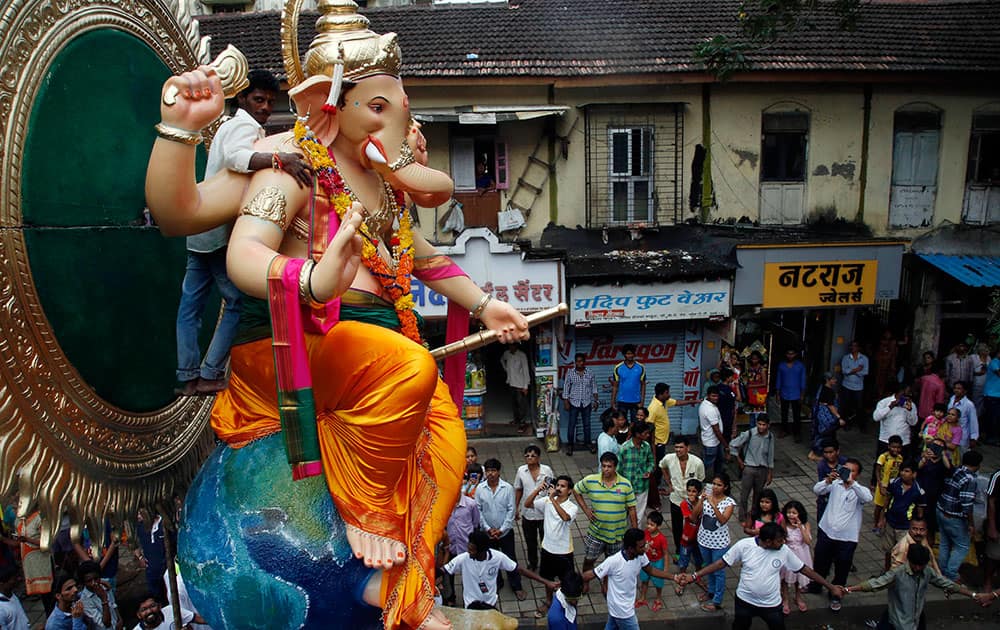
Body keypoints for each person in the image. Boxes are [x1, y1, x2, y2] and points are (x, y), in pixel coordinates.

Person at [148, 13, 532, 625]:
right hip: (291, 347)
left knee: (449, 432)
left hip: (365, 352)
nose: (392, 123)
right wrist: (178, 131)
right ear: (329, 103)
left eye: (398, 107)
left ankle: (404, 584)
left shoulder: (382, 178)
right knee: (410, 370)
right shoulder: (289, 163)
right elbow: (206, 229)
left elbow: (419, 256)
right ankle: (369, 520)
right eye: (376, 107)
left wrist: (484, 303)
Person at [173, 70, 306, 397]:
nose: (264, 107)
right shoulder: (243, 126)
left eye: (269, 102)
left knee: (190, 305)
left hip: (201, 235)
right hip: (219, 235)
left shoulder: (230, 127)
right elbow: (237, 159)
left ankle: (189, 374)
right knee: (235, 303)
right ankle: (210, 372)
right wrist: (280, 159)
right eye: (258, 100)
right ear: (242, 99)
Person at [681, 523, 844, 630]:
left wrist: (830, 587)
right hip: (744, 601)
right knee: (740, 627)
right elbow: (720, 563)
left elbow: (804, 570)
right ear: (766, 541)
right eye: (779, 541)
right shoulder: (744, 545)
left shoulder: (784, 551)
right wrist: (694, 576)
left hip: (771, 605)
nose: (783, 543)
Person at [844, 544, 992, 629]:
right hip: (898, 622)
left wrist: (972, 595)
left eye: (921, 565)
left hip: (916, 618)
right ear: (910, 562)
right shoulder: (898, 574)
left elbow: (946, 584)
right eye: (916, 565)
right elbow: (874, 584)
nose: (919, 569)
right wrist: (848, 589)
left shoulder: (927, 572)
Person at [581, 528, 677, 630]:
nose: (645, 548)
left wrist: (674, 577)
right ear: (631, 548)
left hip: (621, 608)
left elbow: (651, 570)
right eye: (642, 546)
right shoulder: (613, 561)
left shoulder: (641, 556)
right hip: (623, 611)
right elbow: (589, 575)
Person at [812, 458, 872, 611]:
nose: (847, 472)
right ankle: (816, 585)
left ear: (857, 475)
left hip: (847, 538)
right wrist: (827, 480)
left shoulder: (859, 490)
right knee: (820, 561)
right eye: (845, 469)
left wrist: (852, 483)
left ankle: (836, 594)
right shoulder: (835, 484)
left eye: (852, 471)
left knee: (842, 566)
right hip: (827, 532)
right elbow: (817, 490)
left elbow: (868, 498)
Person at [573, 453, 637, 593]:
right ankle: (585, 582)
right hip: (596, 533)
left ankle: (606, 584)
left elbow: (632, 508)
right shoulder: (591, 481)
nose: (606, 469)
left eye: (609, 466)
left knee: (612, 563)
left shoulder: (625, 484)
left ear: (615, 467)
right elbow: (576, 490)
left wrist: (635, 530)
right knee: (589, 560)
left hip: (617, 534)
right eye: (603, 466)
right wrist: (586, 510)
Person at [441, 530, 553, 610]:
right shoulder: (463, 558)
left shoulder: (498, 557)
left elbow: (520, 569)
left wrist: (546, 582)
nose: (468, 551)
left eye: (472, 550)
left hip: (491, 604)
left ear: (482, 550)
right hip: (471, 606)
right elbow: (443, 570)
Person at [525, 475, 578, 617]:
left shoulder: (572, 507)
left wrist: (552, 500)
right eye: (558, 485)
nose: (559, 488)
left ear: (570, 491)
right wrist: (538, 489)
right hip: (547, 548)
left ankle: (566, 603)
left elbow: (565, 517)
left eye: (563, 486)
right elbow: (527, 504)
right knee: (547, 579)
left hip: (564, 551)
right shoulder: (547, 501)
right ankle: (548, 602)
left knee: (566, 580)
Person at [475, 458, 524, 600]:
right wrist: (488, 529)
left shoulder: (507, 488)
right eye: (488, 471)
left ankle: (517, 586)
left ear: (499, 472)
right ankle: (497, 583)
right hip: (488, 534)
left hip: (505, 533)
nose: (490, 474)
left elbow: (511, 510)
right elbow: (478, 510)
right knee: (491, 560)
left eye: (493, 471)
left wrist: (502, 530)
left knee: (510, 559)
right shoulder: (480, 489)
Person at [646, 382, 698, 509]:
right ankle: (654, 489)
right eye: (667, 393)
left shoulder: (664, 402)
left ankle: (656, 487)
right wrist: (652, 445)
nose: (669, 395)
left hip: (663, 441)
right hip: (657, 442)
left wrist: (695, 401)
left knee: (660, 464)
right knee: (658, 465)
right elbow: (649, 427)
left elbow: (677, 403)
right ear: (661, 394)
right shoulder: (653, 408)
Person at [936, 449, 983, 581]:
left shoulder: (955, 470)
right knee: (962, 546)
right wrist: (971, 524)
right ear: (977, 465)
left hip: (941, 511)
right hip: (954, 517)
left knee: (945, 542)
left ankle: (941, 571)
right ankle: (951, 574)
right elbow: (967, 505)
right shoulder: (970, 479)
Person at [694, 472, 736, 612]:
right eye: (714, 484)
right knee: (708, 567)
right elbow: (694, 516)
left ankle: (717, 600)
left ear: (725, 487)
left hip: (719, 543)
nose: (716, 487)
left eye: (719, 485)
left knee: (718, 571)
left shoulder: (729, 503)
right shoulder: (705, 497)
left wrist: (713, 505)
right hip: (704, 539)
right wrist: (701, 500)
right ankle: (710, 591)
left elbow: (723, 520)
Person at [658, 436, 705, 552]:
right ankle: (679, 550)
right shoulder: (669, 459)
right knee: (677, 526)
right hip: (676, 498)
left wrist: (696, 498)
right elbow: (662, 466)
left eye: (681, 447)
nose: (678, 450)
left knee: (694, 525)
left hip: (693, 501)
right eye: (676, 447)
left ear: (688, 448)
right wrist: (669, 482)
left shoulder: (697, 462)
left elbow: (700, 480)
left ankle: (695, 549)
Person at [878, 462, 926, 571]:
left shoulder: (919, 491)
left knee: (902, 551)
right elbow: (887, 501)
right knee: (888, 549)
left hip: (905, 526)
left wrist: (917, 529)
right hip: (890, 522)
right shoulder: (894, 483)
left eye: (907, 471)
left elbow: (920, 512)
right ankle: (886, 571)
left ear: (914, 474)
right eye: (902, 471)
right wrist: (882, 518)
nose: (903, 473)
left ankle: (898, 572)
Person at [513, 445, 554, 573]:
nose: (530, 458)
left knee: (545, 541)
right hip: (528, 513)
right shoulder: (521, 471)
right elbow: (518, 489)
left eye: (533, 455)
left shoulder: (546, 470)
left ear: (538, 458)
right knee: (530, 542)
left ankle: (546, 564)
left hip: (544, 513)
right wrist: (516, 507)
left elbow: (552, 488)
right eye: (527, 456)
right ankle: (533, 563)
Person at [730, 416, 776, 523]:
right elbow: (733, 444)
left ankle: (754, 515)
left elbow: (770, 454)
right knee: (744, 495)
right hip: (749, 468)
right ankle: (742, 517)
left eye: (764, 425)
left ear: (768, 425)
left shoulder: (770, 436)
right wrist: (739, 460)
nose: (761, 427)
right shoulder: (749, 433)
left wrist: (770, 472)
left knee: (758, 495)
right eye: (759, 424)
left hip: (762, 469)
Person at [441, 482, 480, 607]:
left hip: (467, 548)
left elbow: (475, 523)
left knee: (470, 574)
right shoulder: (443, 505)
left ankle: (473, 598)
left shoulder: (471, 504)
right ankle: (450, 597)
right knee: (448, 574)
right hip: (451, 547)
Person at [617, 421, 655, 527]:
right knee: (623, 515)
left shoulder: (646, 446)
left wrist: (648, 470)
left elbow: (651, 462)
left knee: (639, 515)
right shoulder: (624, 448)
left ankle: (636, 537)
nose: (648, 435)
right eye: (646, 433)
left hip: (642, 486)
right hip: (626, 488)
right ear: (638, 434)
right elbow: (618, 470)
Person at [563, 352, 599, 455]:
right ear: (575, 362)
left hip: (586, 402)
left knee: (587, 425)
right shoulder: (570, 373)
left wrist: (596, 401)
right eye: (578, 361)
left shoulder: (590, 373)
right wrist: (566, 401)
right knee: (572, 424)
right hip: (574, 402)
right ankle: (570, 444)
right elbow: (566, 387)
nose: (580, 363)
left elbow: (594, 388)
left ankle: (587, 443)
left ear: (584, 362)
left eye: (581, 361)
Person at [17, 510, 53, 614]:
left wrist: (28, 539)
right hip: (31, 564)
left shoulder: (40, 517)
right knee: (43, 597)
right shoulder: (21, 519)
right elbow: (18, 542)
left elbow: (47, 542)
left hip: (41, 562)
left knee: (49, 596)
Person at [780, 501, 813, 615]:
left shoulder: (805, 524)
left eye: (794, 512)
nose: (791, 515)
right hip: (788, 554)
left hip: (802, 554)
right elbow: (782, 539)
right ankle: (785, 599)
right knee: (784, 577)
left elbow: (808, 541)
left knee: (799, 577)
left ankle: (798, 597)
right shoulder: (784, 523)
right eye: (789, 512)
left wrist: (800, 527)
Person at [916, 438, 951, 543]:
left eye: (939, 447)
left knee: (930, 527)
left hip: (935, 499)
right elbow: (917, 468)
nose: (936, 449)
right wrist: (925, 458)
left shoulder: (943, 462)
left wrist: (943, 455)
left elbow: (949, 468)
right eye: (934, 446)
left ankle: (929, 550)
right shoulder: (924, 459)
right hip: (921, 496)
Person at [873, 387, 918, 462]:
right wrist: (890, 407)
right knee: (881, 465)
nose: (908, 396)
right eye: (905, 394)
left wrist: (909, 410)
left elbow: (913, 423)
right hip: (886, 441)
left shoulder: (911, 405)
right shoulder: (884, 402)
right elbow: (876, 417)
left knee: (902, 465)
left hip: (904, 442)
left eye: (909, 394)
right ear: (899, 392)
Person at [636, 511, 669, 612]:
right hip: (646, 561)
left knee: (658, 582)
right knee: (644, 580)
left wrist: (666, 568)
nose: (649, 526)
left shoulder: (661, 539)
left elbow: (665, 554)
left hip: (657, 562)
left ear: (658, 526)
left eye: (652, 525)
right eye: (648, 523)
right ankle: (642, 597)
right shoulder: (645, 533)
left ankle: (658, 598)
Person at [675, 479, 704, 594]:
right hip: (687, 538)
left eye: (694, 491)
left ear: (699, 492)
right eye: (689, 491)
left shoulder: (703, 503)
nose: (691, 494)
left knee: (699, 560)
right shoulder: (684, 504)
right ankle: (681, 581)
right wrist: (700, 502)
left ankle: (698, 577)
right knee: (683, 562)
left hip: (700, 538)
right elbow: (692, 518)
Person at [134, 509, 167, 605]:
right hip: (151, 572)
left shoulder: (165, 524)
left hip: (167, 570)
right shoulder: (140, 527)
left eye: (140, 513)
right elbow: (132, 543)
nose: (138, 516)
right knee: (157, 600)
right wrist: (140, 557)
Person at [872, 435, 905, 530]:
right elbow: (877, 470)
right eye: (893, 447)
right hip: (883, 484)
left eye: (898, 447)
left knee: (887, 506)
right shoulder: (883, 457)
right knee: (879, 506)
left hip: (893, 485)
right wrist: (880, 484)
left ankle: (882, 523)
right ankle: (875, 524)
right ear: (889, 446)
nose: (896, 449)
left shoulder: (900, 458)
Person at [77, 560, 122, 630]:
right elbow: (106, 623)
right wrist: (104, 599)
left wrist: (119, 620)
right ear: (83, 583)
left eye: (96, 579)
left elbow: (113, 605)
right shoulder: (85, 601)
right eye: (89, 581)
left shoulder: (104, 586)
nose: (94, 583)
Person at [811, 371, 845, 460]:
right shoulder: (829, 391)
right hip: (826, 418)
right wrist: (839, 417)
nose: (835, 380)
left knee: (826, 434)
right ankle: (815, 453)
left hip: (820, 416)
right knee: (824, 435)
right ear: (827, 380)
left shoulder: (822, 388)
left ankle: (829, 452)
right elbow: (831, 406)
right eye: (833, 379)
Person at [775, 348, 807, 440]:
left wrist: (802, 394)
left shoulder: (800, 366)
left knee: (796, 415)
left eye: (792, 354)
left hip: (796, 394)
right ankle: (784, 430)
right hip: (784, 393)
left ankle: (797, 433)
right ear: (786, 355)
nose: (790, 356)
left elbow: (803, 381)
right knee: (783, 414)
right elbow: (778, 379)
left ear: (795, 354)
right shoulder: (781, 366)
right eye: (788, 354)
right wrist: (777, 393)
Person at [698, 386, 728, 479]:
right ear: (708, 395)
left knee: (719, 460)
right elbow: (716, 430)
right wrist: (725, 445)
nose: (715, 398)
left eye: (717, 396)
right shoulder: (710, 410)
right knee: (708, 462)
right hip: (711, 441)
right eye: (713, 396)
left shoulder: (705, 404)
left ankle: (718, 476)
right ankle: (697, 477)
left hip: (713, 440)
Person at [501, 344, 532, 434]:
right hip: (511, 383)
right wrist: (506, 369)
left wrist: (525, 386)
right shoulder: (507, 354)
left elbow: (526, 370)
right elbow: (502, 360)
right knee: (514, 403)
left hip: (520, 384)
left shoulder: (522, 355)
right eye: (510, 346)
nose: (511, 347)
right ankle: (516, 420)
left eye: (513, 345)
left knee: (521, 405)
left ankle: (522, 423)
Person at [611, 345, 646, 423]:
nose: (630, 355)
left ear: (634, 354)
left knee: (636, 424)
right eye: (628, 353)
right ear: (624, 355)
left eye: (631, 353)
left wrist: (642, 401)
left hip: (636, 402)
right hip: (622, 401)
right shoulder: (618, 367)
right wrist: (613, 402)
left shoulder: (641, 367)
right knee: (622, 424)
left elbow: (643, 385)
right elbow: (615, 386)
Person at [815, 438, 847, 523]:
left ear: (837, 451)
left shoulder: (844, 462)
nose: (829, 455)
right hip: (825, 501)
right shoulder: (821, 465)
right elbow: (821, 487)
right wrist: (829, 480)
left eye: (831, 452)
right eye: (826, 453)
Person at [840, 341, 869, 431]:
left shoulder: (864, 359)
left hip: (858, 387)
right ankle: (846, 424)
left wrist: (852, 371)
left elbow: (865, 372)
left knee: (859, 406)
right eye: (851, 346)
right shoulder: (846, 358)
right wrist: (857, 369)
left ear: (858, 348)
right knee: (845, 405)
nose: (852, 348)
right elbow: (844, 371)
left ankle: (862, 425)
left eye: (855, 346)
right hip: (846, 385)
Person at [948, 381, 980, 449]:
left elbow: (973, 422)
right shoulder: (952, 398)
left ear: (965, 391)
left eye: (959, 388)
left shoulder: (969, 404)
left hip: (962, 437)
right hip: (949, 434)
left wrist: (973, 438)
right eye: (955, 388)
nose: (956, 390)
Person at [985, 466, 1000, 596]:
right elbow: (991, 501)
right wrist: (992, 526)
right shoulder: (998, 475)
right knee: (993, 556)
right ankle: (988, 581)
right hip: (998, 524)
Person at [0, 565, 29, 630]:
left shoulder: (12, 595)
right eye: (14, 578)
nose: (19, 579)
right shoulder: (1, 609)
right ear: (2, 584)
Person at [716, 368, 740, 441]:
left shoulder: (718, 387)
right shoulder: (728, 390)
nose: (733, 378)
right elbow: (738, 398)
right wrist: (737, 386)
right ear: (727, 378)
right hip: (727, 416)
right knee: (726, 436)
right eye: (731, 377)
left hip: (718, 415)